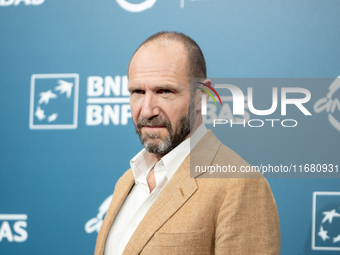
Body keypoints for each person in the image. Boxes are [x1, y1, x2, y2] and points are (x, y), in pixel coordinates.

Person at [94, 31, 280, 255]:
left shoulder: (238, 184)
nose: (147, 110)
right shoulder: (127, 181)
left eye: (164, 91)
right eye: (138, 92)